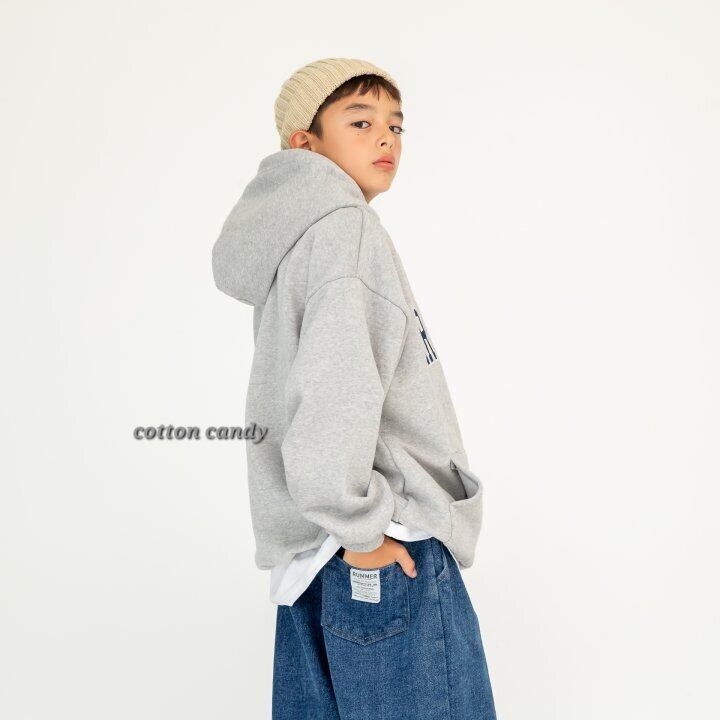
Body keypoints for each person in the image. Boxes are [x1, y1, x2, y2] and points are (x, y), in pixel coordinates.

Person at [212, 57, 497, 720]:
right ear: (305, 143)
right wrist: (362, 529)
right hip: (377, 539)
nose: (386, 138)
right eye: (361, 122)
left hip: (312, 555)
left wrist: (342, 526)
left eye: (396, 125)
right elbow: (334, 386)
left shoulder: (296, 238)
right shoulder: (345, 229)